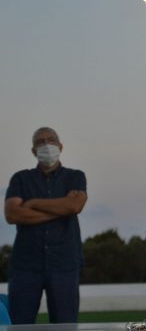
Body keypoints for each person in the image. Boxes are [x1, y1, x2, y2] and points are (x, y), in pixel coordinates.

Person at [4, 127, 87, 324]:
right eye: (40, 142)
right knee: (19, 325)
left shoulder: (75, 176)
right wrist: (60, 209)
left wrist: (32, 203)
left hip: (64, 263)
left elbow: (75, 205)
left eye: (51, 140)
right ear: (33, 150)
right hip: (25, 265)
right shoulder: (20, 178)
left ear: (60, 146)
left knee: (65, 325)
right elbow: (12, 213)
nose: (46, 144)